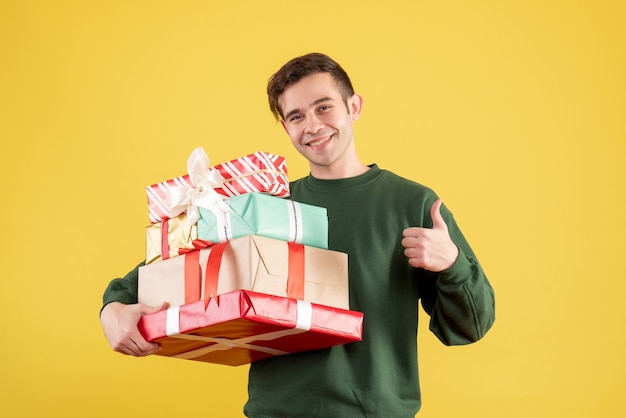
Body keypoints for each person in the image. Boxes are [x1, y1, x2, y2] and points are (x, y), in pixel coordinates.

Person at [100, 52, 495, 417]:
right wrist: (113, 309)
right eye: (296, 116)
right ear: (286, 126)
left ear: (353, 107)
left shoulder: (412, 203)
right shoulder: (266, 205)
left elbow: (469, 326)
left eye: (324, 107)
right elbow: (166, 265)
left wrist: (452, 265)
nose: (313, 126)